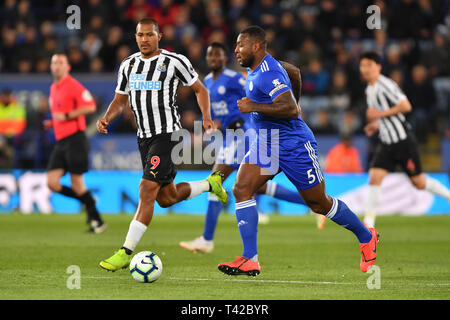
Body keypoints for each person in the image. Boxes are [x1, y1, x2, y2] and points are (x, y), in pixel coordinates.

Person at [217, 26, 379, 277]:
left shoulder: (266, 74)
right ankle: (250, 258)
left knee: (318, 203)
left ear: (257, 47)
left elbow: (290, 109)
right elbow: (294, 72)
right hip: (268, 141)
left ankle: (366, 236)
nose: (235, 50)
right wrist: (293, 101)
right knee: (242, 188)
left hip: (294, 144)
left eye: (241, 45)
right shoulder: (262, 67)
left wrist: (254, 106)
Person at [97, 18, 227, 272]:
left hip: (168, 134)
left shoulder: (174, 61)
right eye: (140, 35)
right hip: (144, 137)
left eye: (149, 34)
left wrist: (207, 117)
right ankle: (210, 183)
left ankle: (126, 251)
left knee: (146, 188)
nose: (144, 39)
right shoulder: (128, 65)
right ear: (135, 37)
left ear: (160, 36)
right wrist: (106, 118)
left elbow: (201, 90)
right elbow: (120, 100)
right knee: (166, 198)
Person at [178, 42, 306, 253]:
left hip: (243, 134)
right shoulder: (207, 82)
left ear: (223, 58)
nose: (214, 59)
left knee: (216, 180)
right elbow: (219, 112)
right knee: (257, 186)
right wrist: (214, 124)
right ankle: (312, 203)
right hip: (230, 136)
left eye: (218, 55)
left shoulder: (234, 78)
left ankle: (207, 239)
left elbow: (253, 93)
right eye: (210, 56)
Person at [360, 51, 450, 228]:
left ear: (378, 67)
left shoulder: (385, 84)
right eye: (363, 65)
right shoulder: (369, 90)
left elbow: (406, 106)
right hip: (386, 143)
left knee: (418, 182)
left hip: (402, 142)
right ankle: (368, 224)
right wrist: (376, 124)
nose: (365, 69)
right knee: (374, 177)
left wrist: (379, 114)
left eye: (369, 65)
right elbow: (385, 116)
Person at [45, 53, 106, 233]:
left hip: (75, 140)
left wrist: (66, 116)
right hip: (61, 141)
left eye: (60, 63)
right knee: (52, 183)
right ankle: (88, 200)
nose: (57, 66)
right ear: (51, 67)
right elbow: (58, 113)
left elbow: (90, 106)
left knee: (77, 184)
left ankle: (98, 222)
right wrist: (53, 122)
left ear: (67, 67)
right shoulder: (53, 88)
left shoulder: (72, 85)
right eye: (54, 62)